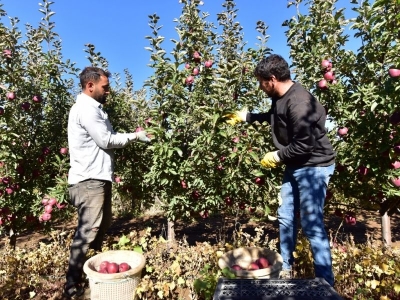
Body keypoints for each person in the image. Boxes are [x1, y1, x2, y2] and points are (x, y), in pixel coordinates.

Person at [226, 54, 336, 286]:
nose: (260, 86)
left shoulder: (299, 102)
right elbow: (276, 117)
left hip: (314, 167)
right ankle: (285, 268)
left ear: (272, 79)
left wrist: (277, 155)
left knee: (311, 223)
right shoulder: (281, 96)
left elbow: (304, 145)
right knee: (285, 216)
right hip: (295, 164)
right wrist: (248, 117)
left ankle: (325, 282)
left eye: (261, 82)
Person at [64, 66, 151, 298]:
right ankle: (72, 285)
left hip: (98, 179)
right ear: (90, 86)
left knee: (101, 226)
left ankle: (94, 275)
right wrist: (134, 136)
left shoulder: (94, 109)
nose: (108, 92)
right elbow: (105, 140)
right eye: (105, 87)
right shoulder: (86, 109)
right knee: (88, 232)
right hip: (89, 180)